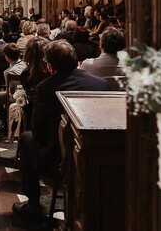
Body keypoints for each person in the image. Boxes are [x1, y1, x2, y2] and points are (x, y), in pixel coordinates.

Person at [13, 40, 110, 219]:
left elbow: (38, 128)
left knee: (27, 138)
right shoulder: (100, 84)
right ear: (76, 60)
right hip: (99, 152)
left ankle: (33, 203)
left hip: (59, 157)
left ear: (49, 66)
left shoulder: (45, 88)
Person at [0, 44, 27, 131]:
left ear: (7, 57)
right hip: (26, 94)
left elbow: (9, 91)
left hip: (14, 97)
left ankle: (5, 121)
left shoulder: (8, 72)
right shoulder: (25, 65)